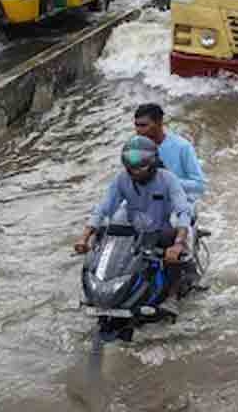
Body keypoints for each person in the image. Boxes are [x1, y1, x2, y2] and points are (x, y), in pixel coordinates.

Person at [74, 135, 193, 316]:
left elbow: (183, 211)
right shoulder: (121, 179)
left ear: (153, 163)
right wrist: (84, 236)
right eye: (131, 168)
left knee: (172, 249)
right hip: (132, 230)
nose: (135, 172)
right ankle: (99, 289)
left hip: (160, 228)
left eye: (140, 167)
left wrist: (177, 244)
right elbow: (103, 208)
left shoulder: (168, 179)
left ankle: (172, 296)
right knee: (102, 238)